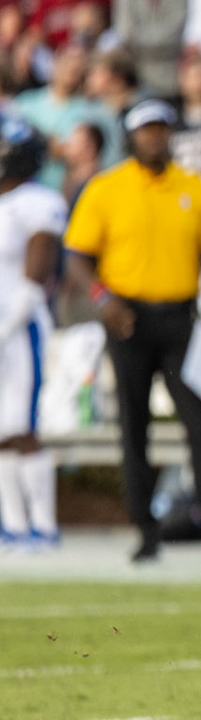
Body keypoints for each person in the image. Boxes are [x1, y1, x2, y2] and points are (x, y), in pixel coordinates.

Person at [63, 99, 201, 563]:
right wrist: (102, 300)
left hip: (180, 315)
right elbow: (78, 253)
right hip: (128, 317)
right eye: (146, 131)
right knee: (133, 425)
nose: (154, 138)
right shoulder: (107, 188)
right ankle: (145, 528)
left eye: (161, 130)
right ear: (130, 136)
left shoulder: (191, 186)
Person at [0, 118, 65, 548]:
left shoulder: (39, 201)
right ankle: (13, 525)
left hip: (20, 329)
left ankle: (43, 524)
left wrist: (2, 330)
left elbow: (33, 280)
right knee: (1, 431)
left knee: (23, 426)